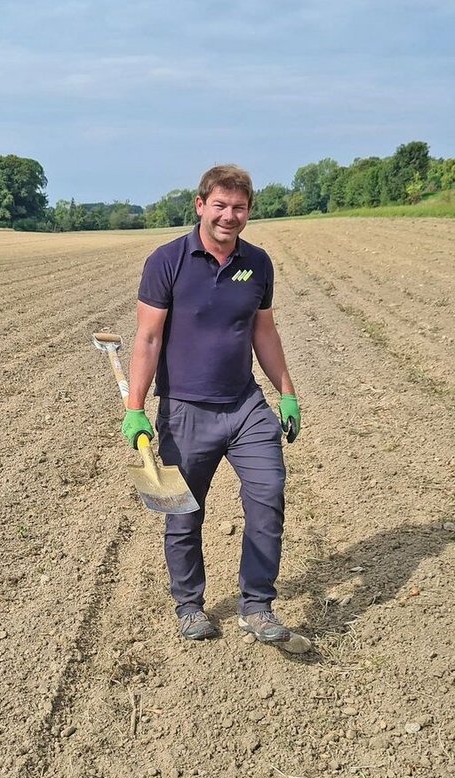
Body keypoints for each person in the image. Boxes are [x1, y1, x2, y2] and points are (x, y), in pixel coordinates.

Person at [121, 164, 301, 643]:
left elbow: (264, 330)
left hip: (245, 407)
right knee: (182, 513)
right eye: (219, 205)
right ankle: (189, 606)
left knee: (268, 499)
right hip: (184, 411)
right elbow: (148, 336)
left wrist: (286, 392)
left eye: (239, 207)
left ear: (248, 212)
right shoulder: (167, 260)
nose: (229, 215)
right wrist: (135, 407)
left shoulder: (258, 263)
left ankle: (257, 606)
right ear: (200, 205)